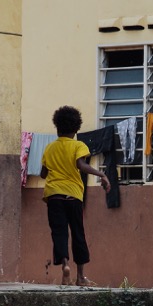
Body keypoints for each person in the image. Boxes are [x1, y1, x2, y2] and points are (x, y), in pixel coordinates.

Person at [41, 106, 111, 287]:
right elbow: (81, 165)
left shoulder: (49, 147)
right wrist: (101, 174)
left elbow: (43, 173)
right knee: (78, 233)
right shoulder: (79, 145)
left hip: (54, 195)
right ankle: (80, 277)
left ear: (57, 127)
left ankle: (65, 266)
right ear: (76, 128)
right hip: (73, 195)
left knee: (59, 232)